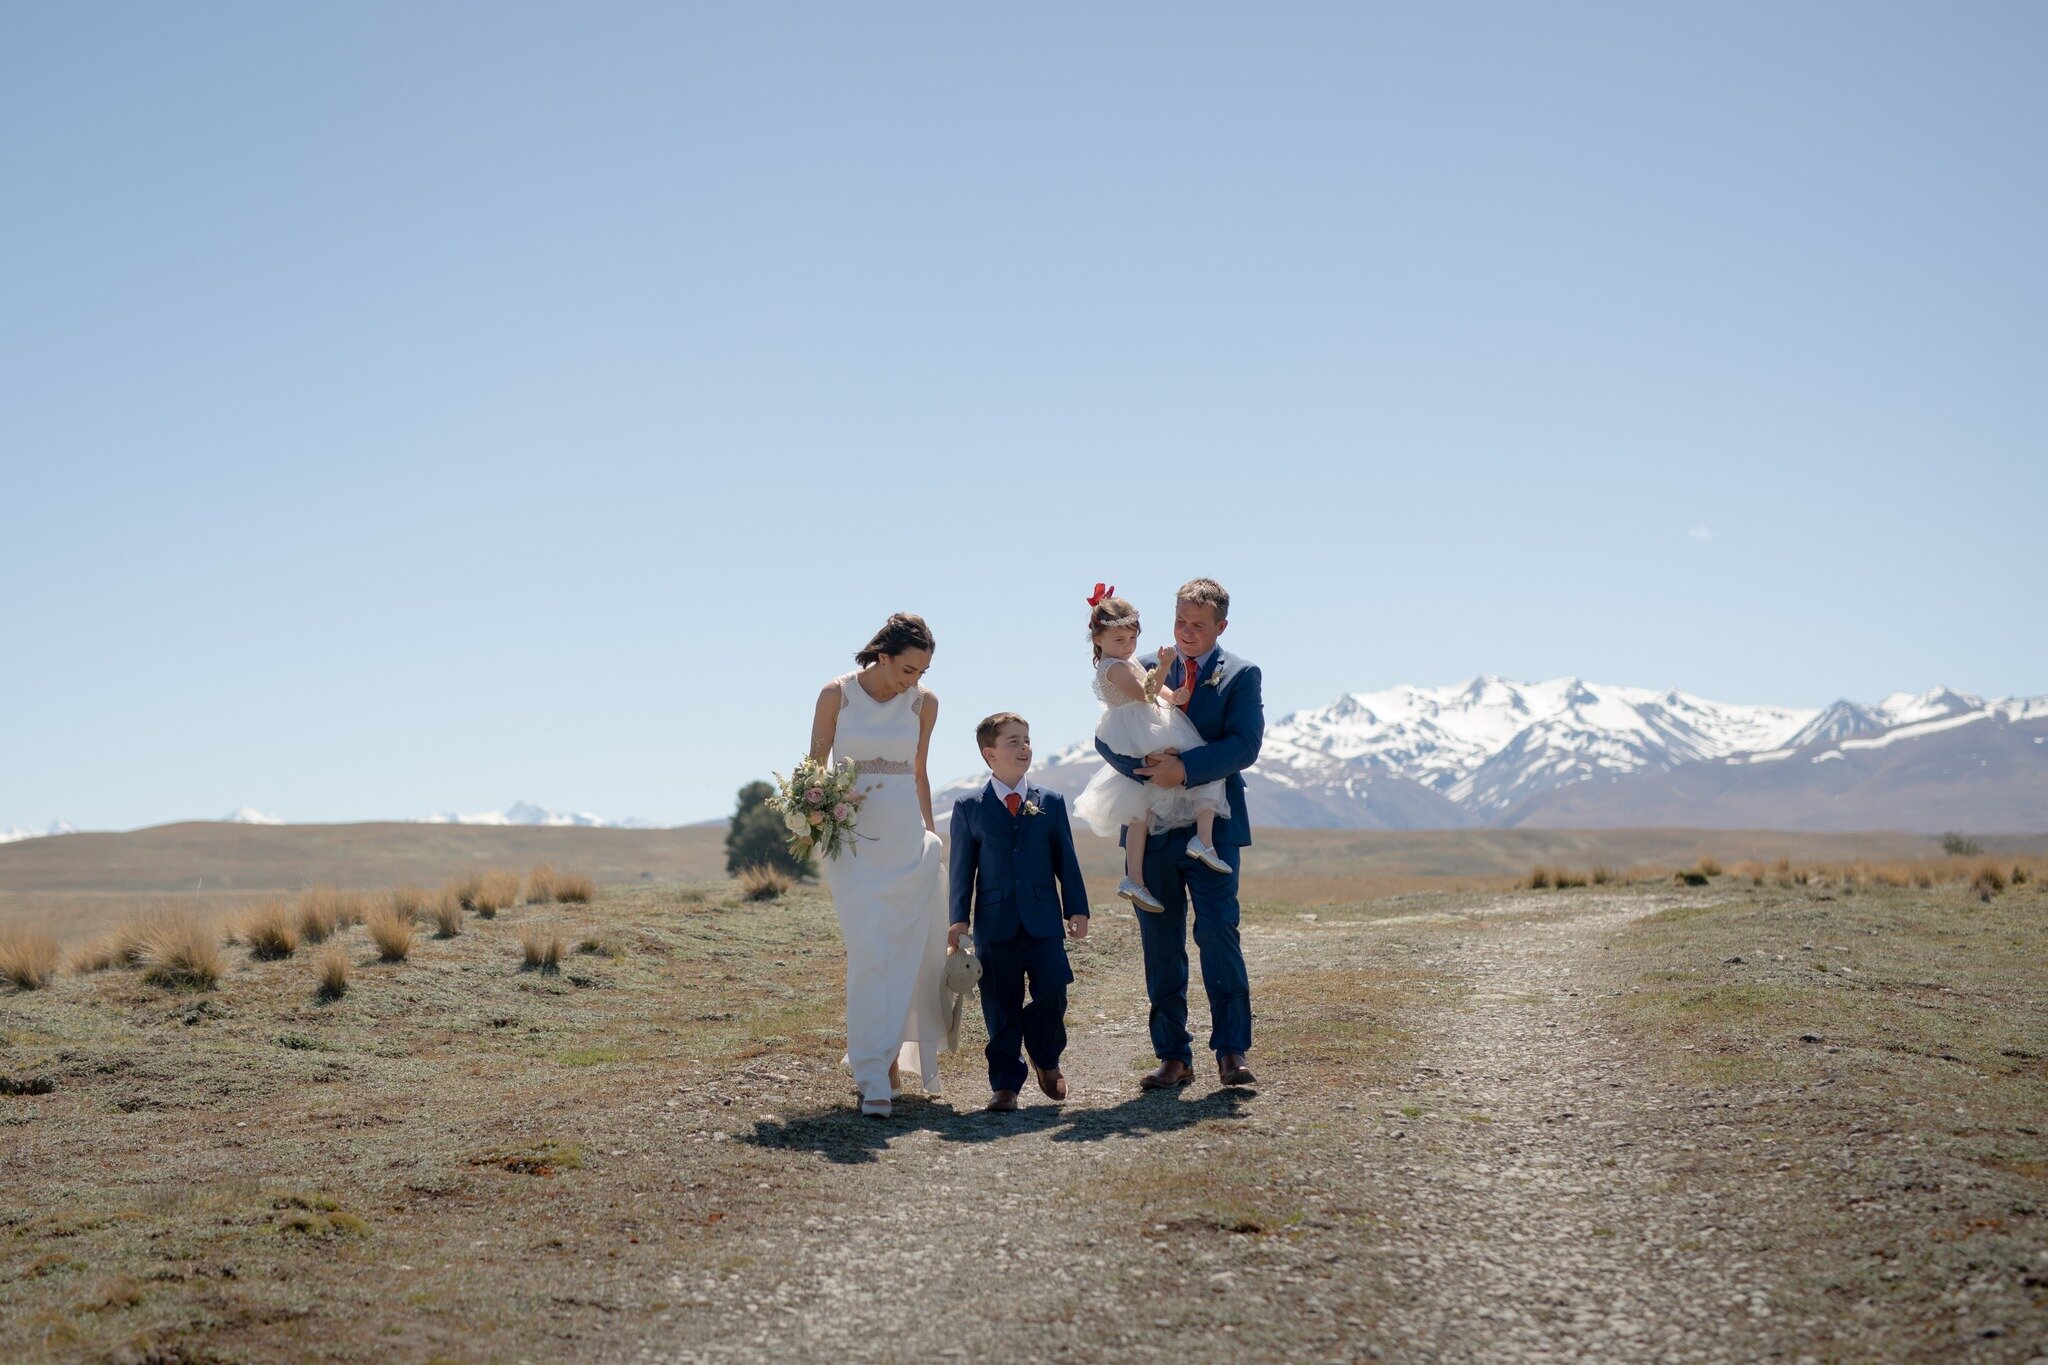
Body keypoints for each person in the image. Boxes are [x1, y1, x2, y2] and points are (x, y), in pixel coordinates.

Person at [1093, 578, 1263, 1090]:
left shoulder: (1241, 674)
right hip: (1154, 825)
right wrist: (1144, 765)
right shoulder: (1136, 664)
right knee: (1160, 944)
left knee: (1217, 936)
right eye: (1180, 622)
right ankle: (1172, 1056)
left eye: (1198, 625)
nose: (1186, 633)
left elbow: (1244, 745)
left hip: (1213, 830)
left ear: (1221, 627)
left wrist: (1182, 769)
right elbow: (1106, 736)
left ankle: (1230, 1052)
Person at [807, 612, 952, 1118]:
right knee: (869, 951)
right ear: (883, 656)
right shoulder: (836, 695)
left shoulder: (924, 704)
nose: (914, 680)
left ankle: (883, 1065)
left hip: (906, 842)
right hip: (851, 845)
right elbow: (813, 771)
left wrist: (931, 835)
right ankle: (872, 1075)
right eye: (908, 668)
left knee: (905, 957)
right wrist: (814, 817)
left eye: (923, 671)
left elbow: (919, 772)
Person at [947, 713, 1090, 1112]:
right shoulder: (968, 807)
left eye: (1027, 740)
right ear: (989, 754)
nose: (1024, 747)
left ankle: (1046, 1059)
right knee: (999, 1005)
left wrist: (1077, 908)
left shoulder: (1051, 802)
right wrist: (958, 916)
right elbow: (962, 869)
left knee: (1053, 994)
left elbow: (1067, 860)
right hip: (996, 924)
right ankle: (1006, 1085)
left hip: (1044, 922)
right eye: (1013, 741)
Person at [1072, 592, 1231, 912]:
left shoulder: (1121, 660)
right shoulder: (1113, 668)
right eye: (1120, 639)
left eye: (1133, 638)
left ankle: (1134, 878)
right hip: (1138, 730)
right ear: (1098, 638)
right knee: (1200, 763)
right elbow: (1145, 693)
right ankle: (1203, 838)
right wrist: (1166, 665)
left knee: (1139, 812)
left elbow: (1151, 688)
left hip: (1142, 723)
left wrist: (1172, 696)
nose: (1129, 645)